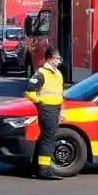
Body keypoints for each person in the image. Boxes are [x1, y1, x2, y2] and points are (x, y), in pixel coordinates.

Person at [25, 47, 65, 181]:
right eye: (57, 59)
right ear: (49, 59)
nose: (59, 61)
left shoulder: (58, 73)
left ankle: (38, 167)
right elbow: (30, 92)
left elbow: (60, 94)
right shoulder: (41, 73)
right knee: (49, 139)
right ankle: (44, 170)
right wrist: (40, 102)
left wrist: (61, 110)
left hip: (55, 109)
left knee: (46, 138)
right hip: (46, 109)